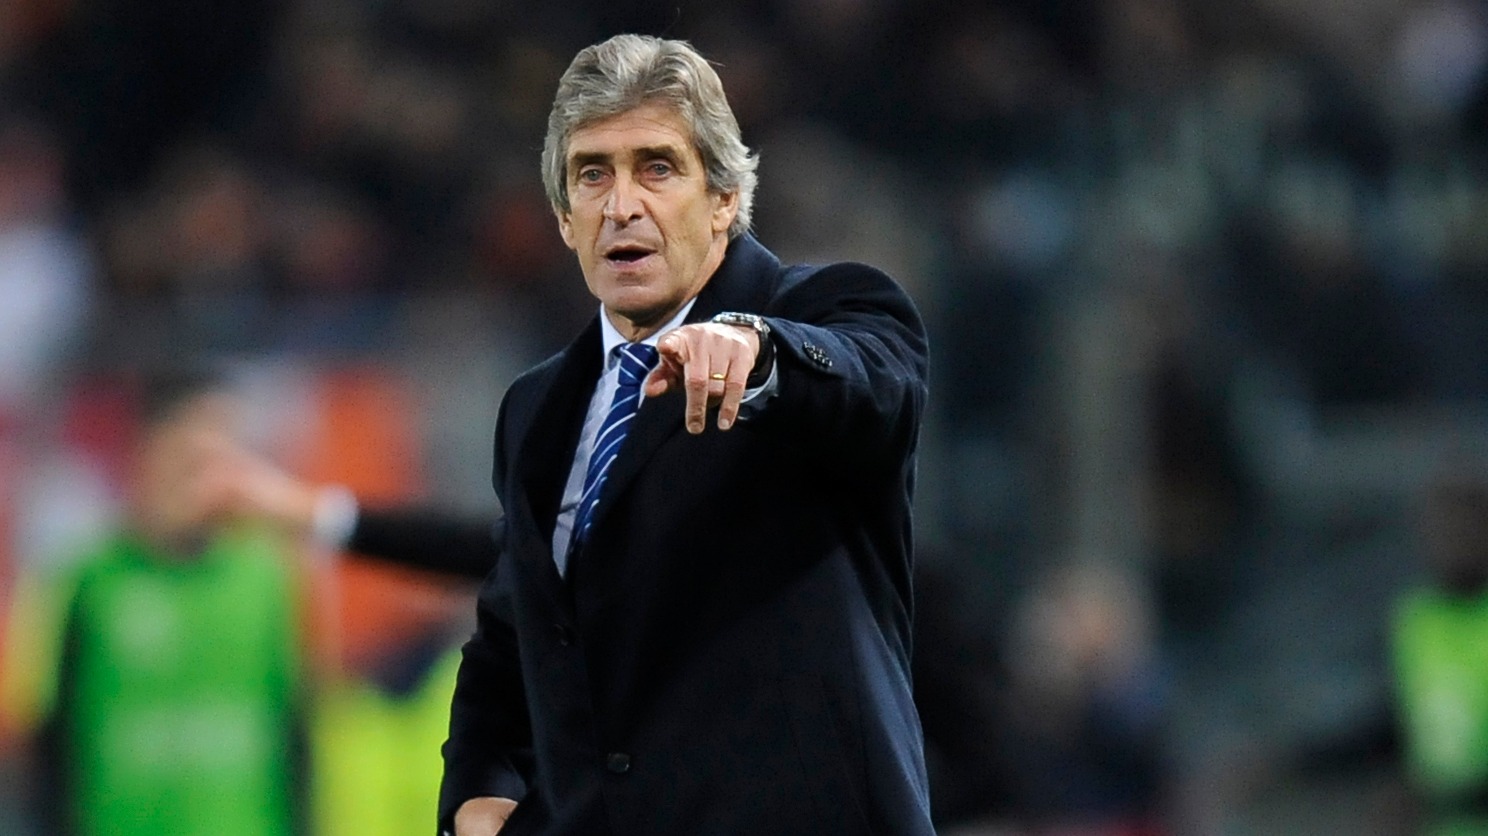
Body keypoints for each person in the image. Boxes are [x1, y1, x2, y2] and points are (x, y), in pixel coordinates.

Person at [438, 33, 932, 836]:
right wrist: (477, 790)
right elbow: (511, 636)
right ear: (564, 217)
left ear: (725, 198)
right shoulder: (535, 409)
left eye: (657, 168)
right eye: (592, 173)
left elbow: (875, 385)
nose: (621, 205)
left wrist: (759, 350)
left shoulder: (830, 312)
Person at [6, 367, 307, 836]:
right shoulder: (88, 580)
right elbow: (49, 744)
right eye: (191, 461)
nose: (209, 483)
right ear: (144, 454)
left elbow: (296, 735)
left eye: (225, 463)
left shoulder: (267, 580)